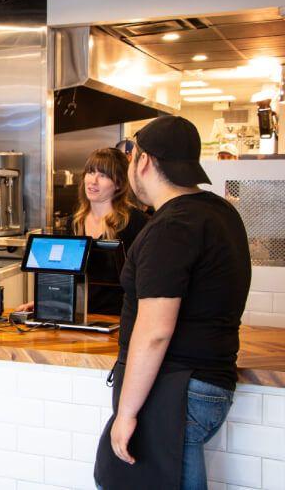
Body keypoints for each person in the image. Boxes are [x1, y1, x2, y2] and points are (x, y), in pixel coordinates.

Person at [94, 116, 252, 490]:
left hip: (176, 389)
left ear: (144, 161)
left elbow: (155, 331)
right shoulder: (220, 212)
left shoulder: (171, 227)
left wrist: (127, 413)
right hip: (202, 384)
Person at [18, 147, 148, 315]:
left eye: (103, 175)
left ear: (119, 184)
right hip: (80, 315)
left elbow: (145, 281)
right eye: (91, 172)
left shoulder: (136, 222)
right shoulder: (74, 223)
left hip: (120, 317)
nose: (93, 181)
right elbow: (66, 278)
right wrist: (44, 302)